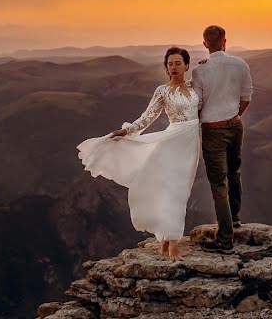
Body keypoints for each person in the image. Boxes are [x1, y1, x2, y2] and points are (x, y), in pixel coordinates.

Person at [76, 46, 200, 261]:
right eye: (170, 63)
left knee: (182, 190)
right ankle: (173, 245)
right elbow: (147, 117)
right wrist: (126, 131)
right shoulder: (162, 91)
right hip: (171, 142)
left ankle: (164, 241)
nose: (173, 67)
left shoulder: (195, 87)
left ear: (187, 65)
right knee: (175, 191)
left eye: (178, 63)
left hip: (191, 145)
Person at [191, 25, 253, 254]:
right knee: (234, 172)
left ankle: (225, 241)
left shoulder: (200, 71)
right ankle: (234, 218)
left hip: (213, 130)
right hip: (235, 124)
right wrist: (233, 116)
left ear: (205, 44)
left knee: (218, 184)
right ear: (225, 41)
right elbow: (246, 96)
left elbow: (196, 105)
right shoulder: (240, 64)